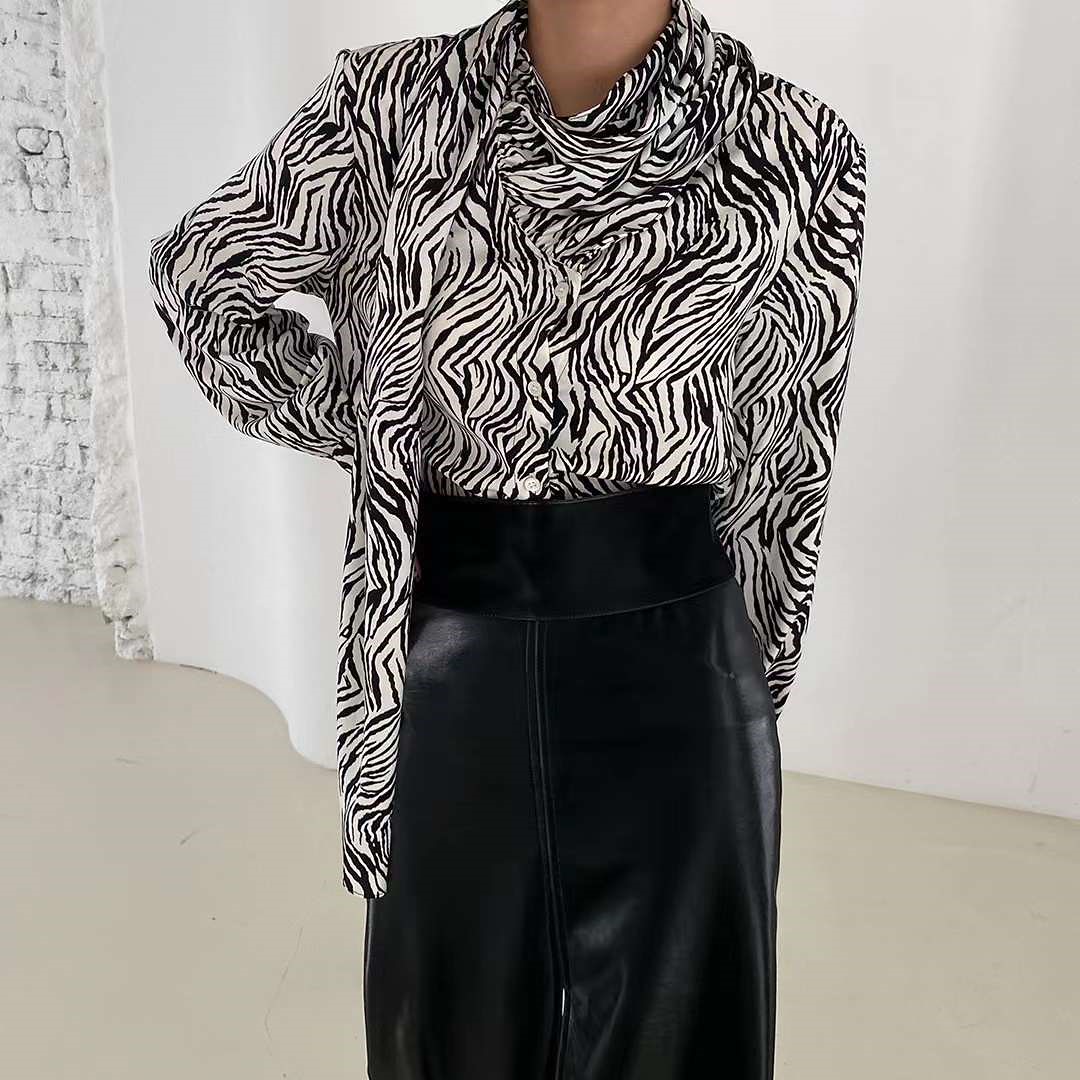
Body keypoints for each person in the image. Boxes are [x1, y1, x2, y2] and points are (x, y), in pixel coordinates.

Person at [147, 0, 868, 1076]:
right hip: (453, 657)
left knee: (683, 1035)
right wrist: (382, 425)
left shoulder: (795, 146)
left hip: (679, 668)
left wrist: (754, 686)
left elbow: (790, 444)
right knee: (448, 1034)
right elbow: (202, 279)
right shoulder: (388, 107)